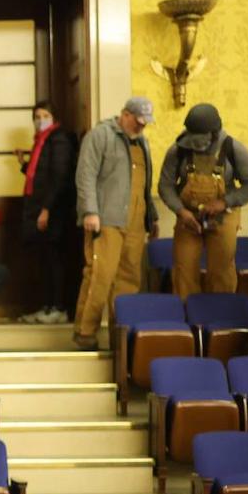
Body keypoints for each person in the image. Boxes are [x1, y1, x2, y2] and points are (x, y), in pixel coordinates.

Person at [72, 97, 160, 350]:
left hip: (136, 221)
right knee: (100, 276)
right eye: (138, 121)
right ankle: (85, 333)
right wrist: (90, 211)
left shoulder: (142, 142)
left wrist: (151, 216)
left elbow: (145, 184)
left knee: (129, 280)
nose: (141, 127)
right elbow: (85, 175)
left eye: (145, 123)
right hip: (106, 219)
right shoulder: (99, 135)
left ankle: (119, 338)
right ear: (125, 114)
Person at [159, 103, 248, 300]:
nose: (196, 145)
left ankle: (220, 315)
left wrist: (225, 202)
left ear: (215, 133)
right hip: (188, 219)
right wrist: (181, 211)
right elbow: (165, 185)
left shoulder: (233, 148)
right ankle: (188, 315)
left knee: (221, 271)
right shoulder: (178, 150)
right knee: (183, 270)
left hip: (224, 217)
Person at [14, 101, 76, 323]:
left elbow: (59, 177)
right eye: (37, 116)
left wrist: (47, 209)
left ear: (54, 117)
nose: (41, 120)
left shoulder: (59, 140)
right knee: (44, 258)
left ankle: (58, 307)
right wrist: (24, 164)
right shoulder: (42, 140)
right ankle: (47, 306)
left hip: (53, 210)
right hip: (40, 208)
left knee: (54, 258)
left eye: (45, 115)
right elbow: (40, 174)